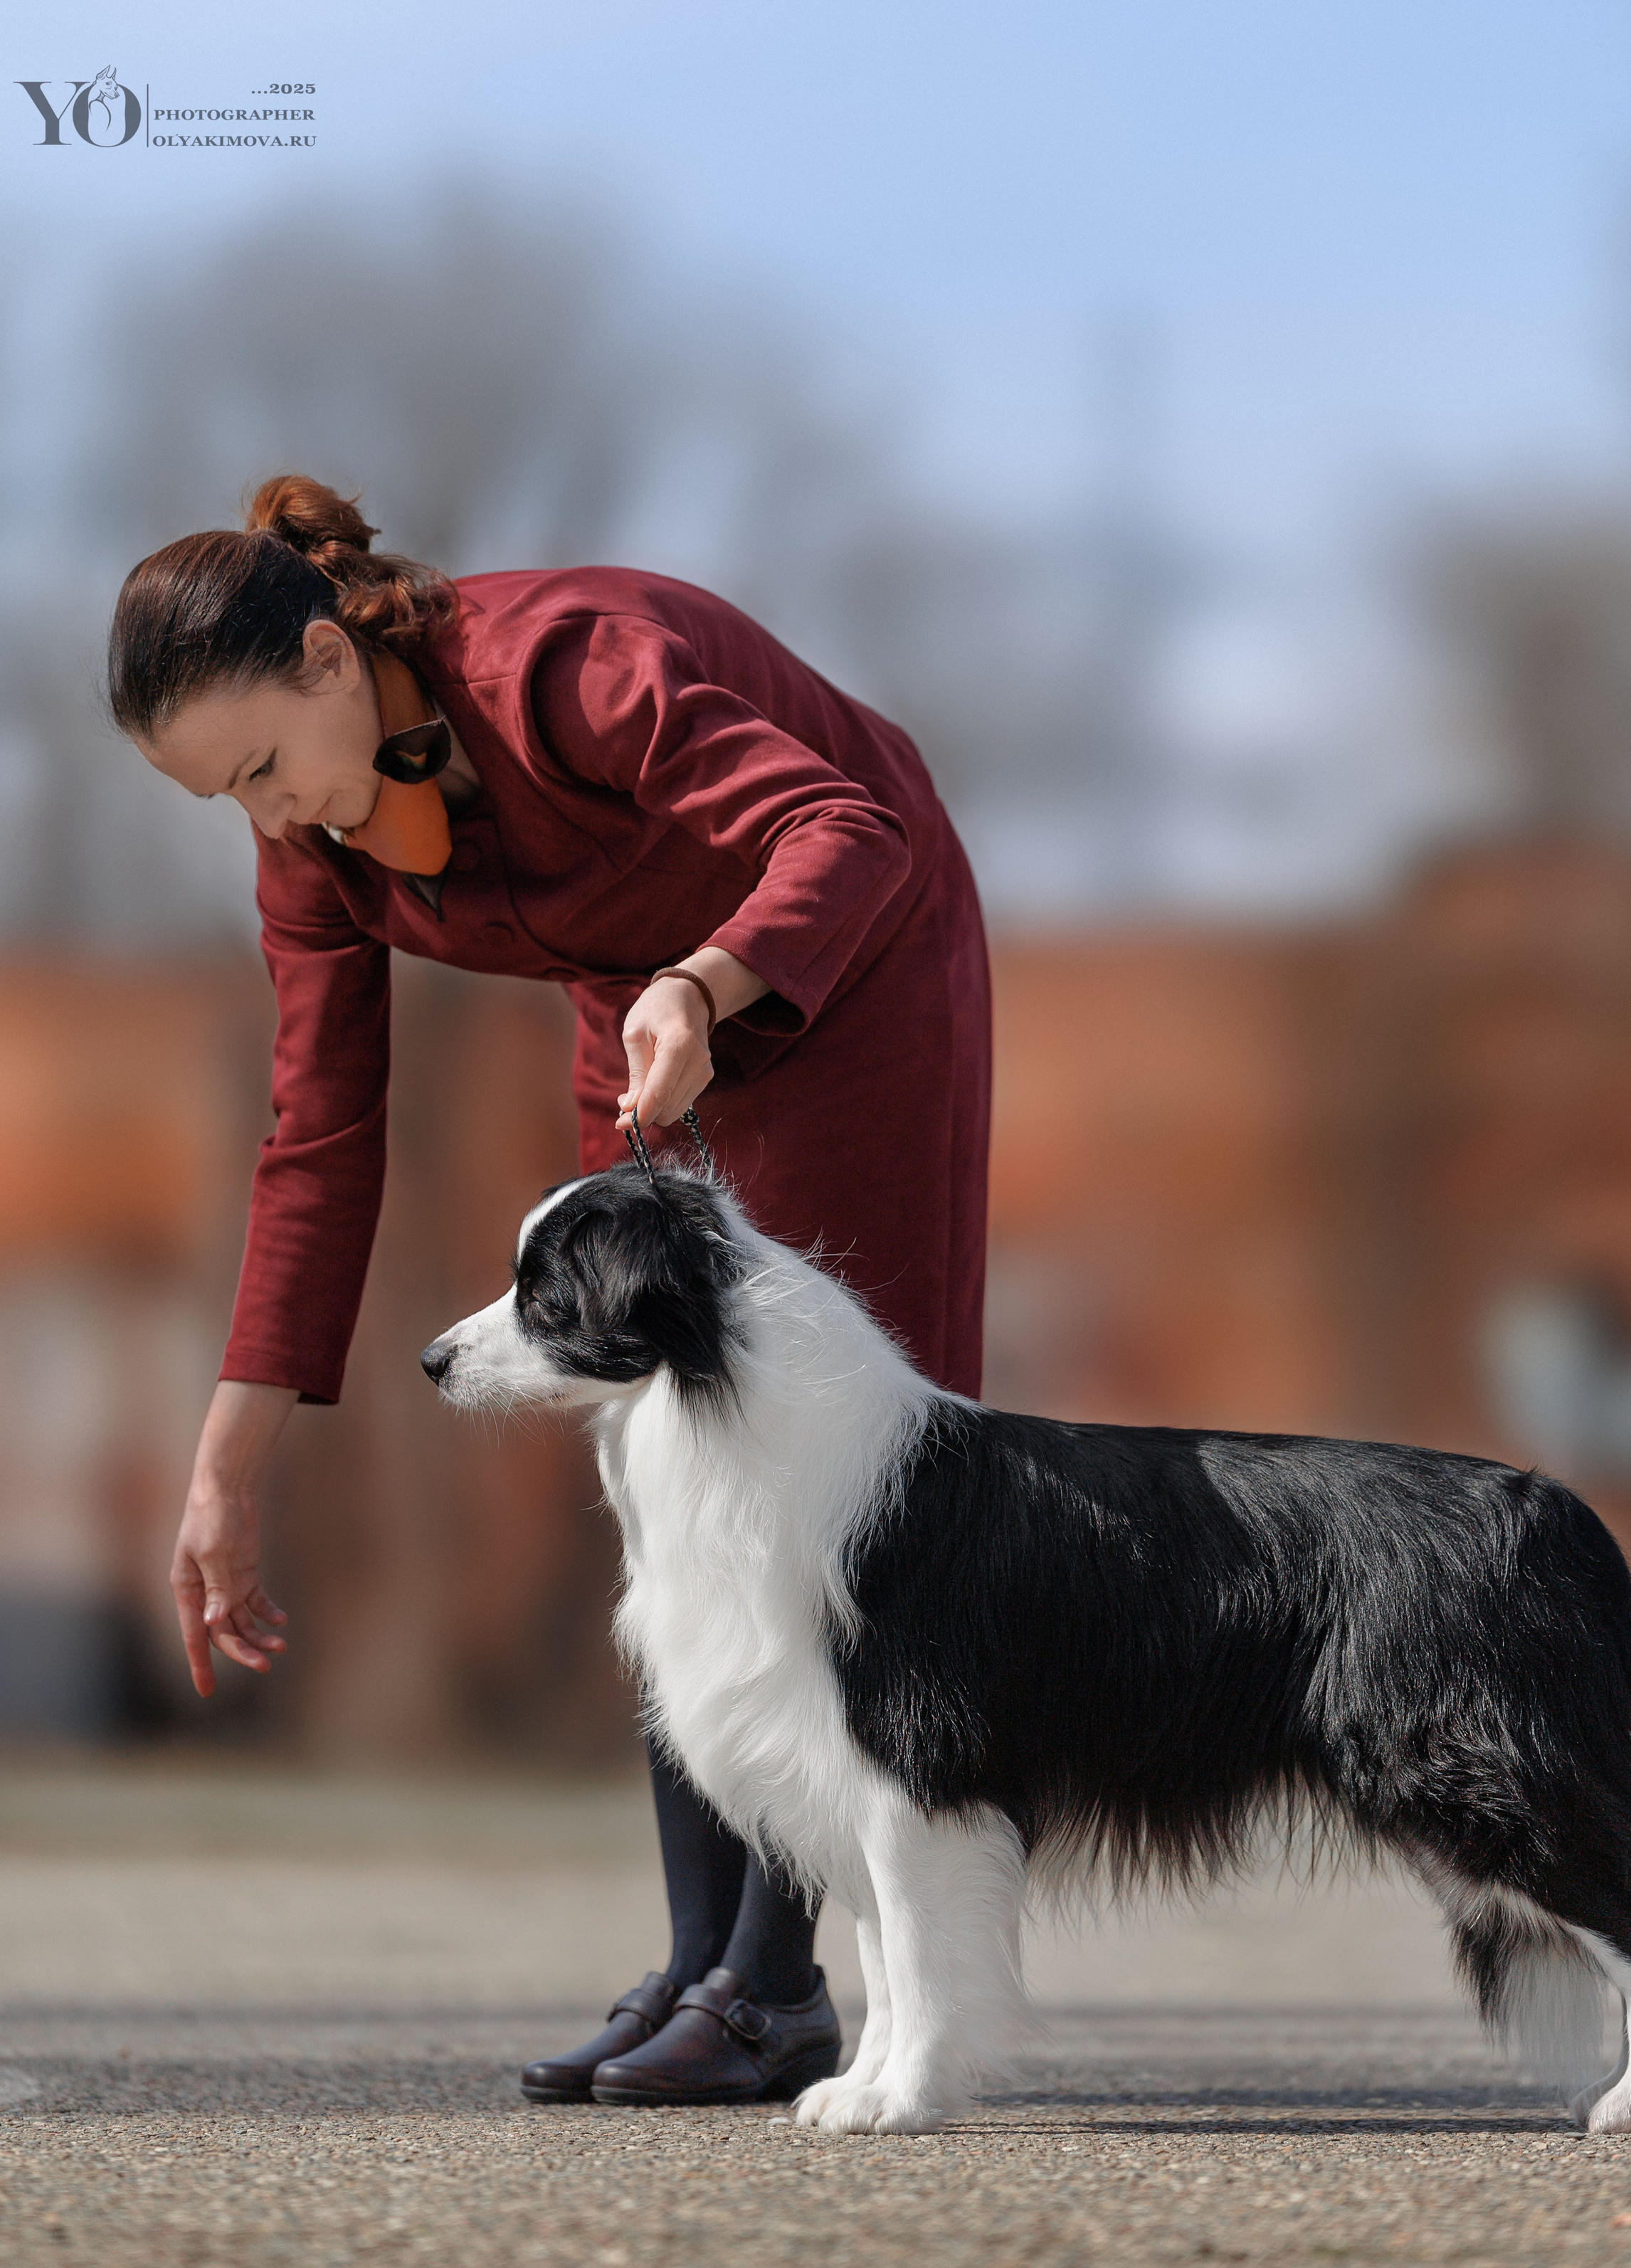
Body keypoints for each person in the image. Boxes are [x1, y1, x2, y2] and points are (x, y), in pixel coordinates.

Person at [106, 475, 992, 2108]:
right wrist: (228, 1470)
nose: (270, 820)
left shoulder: (571, 666)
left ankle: (776, 1981)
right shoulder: (312, 846)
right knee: (662, 1463)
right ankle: (702, 1955)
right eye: (227, 799)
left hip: (843, 969)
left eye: (262, 768)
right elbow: (316, 1140)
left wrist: (707, 983)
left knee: (812, 1481)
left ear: (327, 661)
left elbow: (844, 828)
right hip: (639, 1011)